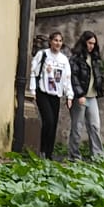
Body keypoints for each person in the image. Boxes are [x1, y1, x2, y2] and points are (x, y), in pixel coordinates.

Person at [29, 31, 74, 159]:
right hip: (43, 92)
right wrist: (33, 90)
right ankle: (43, 150)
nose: (58, 43)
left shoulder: (64, 59)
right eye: (55, 40)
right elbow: (34, 72)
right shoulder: (42, 54)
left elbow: (66, 78)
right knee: (48, 120)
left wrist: (69, 95)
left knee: (53, 123)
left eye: (60, 41)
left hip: (56, 94)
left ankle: (49, 153)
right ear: (50, 41)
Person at [69, 32, 104, 160]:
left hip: (92, 96)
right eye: (90, 43)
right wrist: (79, 94)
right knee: (77, 126)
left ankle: (98, 156)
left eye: (94, 44)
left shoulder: (95, 58)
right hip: (81, 97)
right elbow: (73, 77)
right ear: (84, 42)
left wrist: (100, 84)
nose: (92, 46)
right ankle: (74, 156)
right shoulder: (76, 58)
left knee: (95, 125)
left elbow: (97, 75)